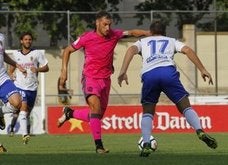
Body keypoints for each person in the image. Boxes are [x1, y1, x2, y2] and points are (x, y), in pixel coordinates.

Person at [117, 21, 218, 157]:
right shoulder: (171, 40)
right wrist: (202, 69)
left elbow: (130, 50)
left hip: (150, 75)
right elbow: (187, 50)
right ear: (165, 32)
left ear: (150, 32)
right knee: (185, 106)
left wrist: (123, 70)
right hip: (168, 73)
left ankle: (146, 143)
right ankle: (199, 130)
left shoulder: (144, 41)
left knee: (148, 111)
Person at [57, 10, 149, 154]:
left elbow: (131, 32)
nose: (108, 28)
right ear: (97, 23)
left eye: (109, 25)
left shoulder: (114, 35)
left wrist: (150, 33)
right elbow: (67, 50)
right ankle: (99, 146)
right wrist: (63, 71)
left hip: (106, 80)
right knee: (95, 108)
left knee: (97, 115)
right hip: (90, 78)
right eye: (105, 25)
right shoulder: (86, 38)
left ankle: (70, 114)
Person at [7, 32, 49, 140]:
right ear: (21, 41)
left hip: (33, 88)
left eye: (29, 39)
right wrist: (11, 76)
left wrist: (38, 69)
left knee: (26, 113)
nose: (28, 41)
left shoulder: (37, 53)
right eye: (25, 39)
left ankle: (7, 113)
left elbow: (46, 68)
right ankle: (24, 134)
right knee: (23, 108)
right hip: (20, 86)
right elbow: (11, 70)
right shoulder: (16, 55)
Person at [0, 33, 26, 143]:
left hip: (2, 78)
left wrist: (16, 64)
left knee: (17, 102)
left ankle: (0, 112)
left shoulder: (1, 37)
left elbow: (3, 54)